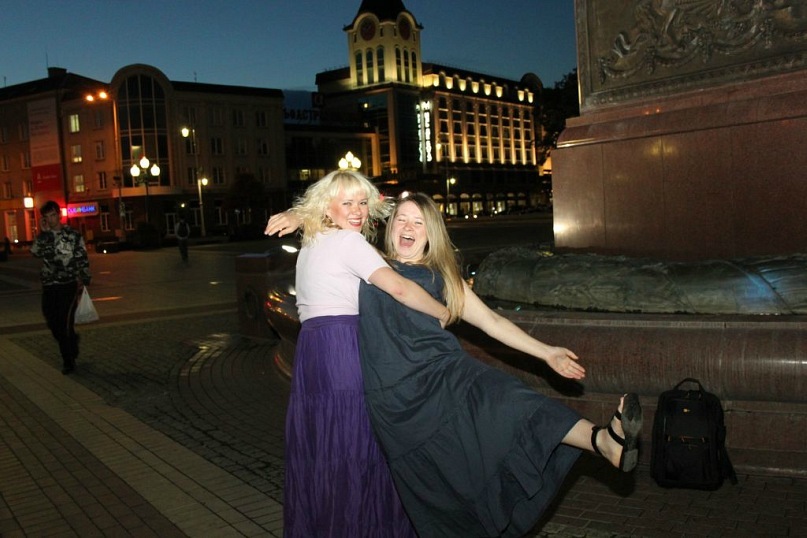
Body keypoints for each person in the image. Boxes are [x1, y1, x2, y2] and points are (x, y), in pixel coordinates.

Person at [356, 193, 642, 537]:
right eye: (401, 219)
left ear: (430, 233)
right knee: (438, 487)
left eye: (419, 222)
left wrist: (547, 352)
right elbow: (330, 235)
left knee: (512, 399)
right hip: (394, 398)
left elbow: (491, 322)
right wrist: (308, 216)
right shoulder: (367, 262)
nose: (408, 227)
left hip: (443, 374)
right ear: (389, 226)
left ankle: (601, 440)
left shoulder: (442, 277)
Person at [264, 171, 449, 537]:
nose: (358, 211)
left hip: (313, 350)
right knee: (355, 443)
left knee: (324, 447)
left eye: (362, 202)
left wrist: (297, 215)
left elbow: (316, 218)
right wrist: (442, 312)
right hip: (343, 347)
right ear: (327, 207)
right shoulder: (349, 242)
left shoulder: (313, 242)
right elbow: (398, 288)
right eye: (347, 202)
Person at [31, 200, 92, 374]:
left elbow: (82, 256)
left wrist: (84, 277)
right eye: (47, 217)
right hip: (49, 285)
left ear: (59, 215)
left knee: (65, 322)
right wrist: (43, 234)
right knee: (52, 322)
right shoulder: (45, 237)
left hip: (68, 285)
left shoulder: (72, 235)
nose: (50, 219)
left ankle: (68, 361)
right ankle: (72, 340)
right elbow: (34, 252)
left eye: (53, 215)